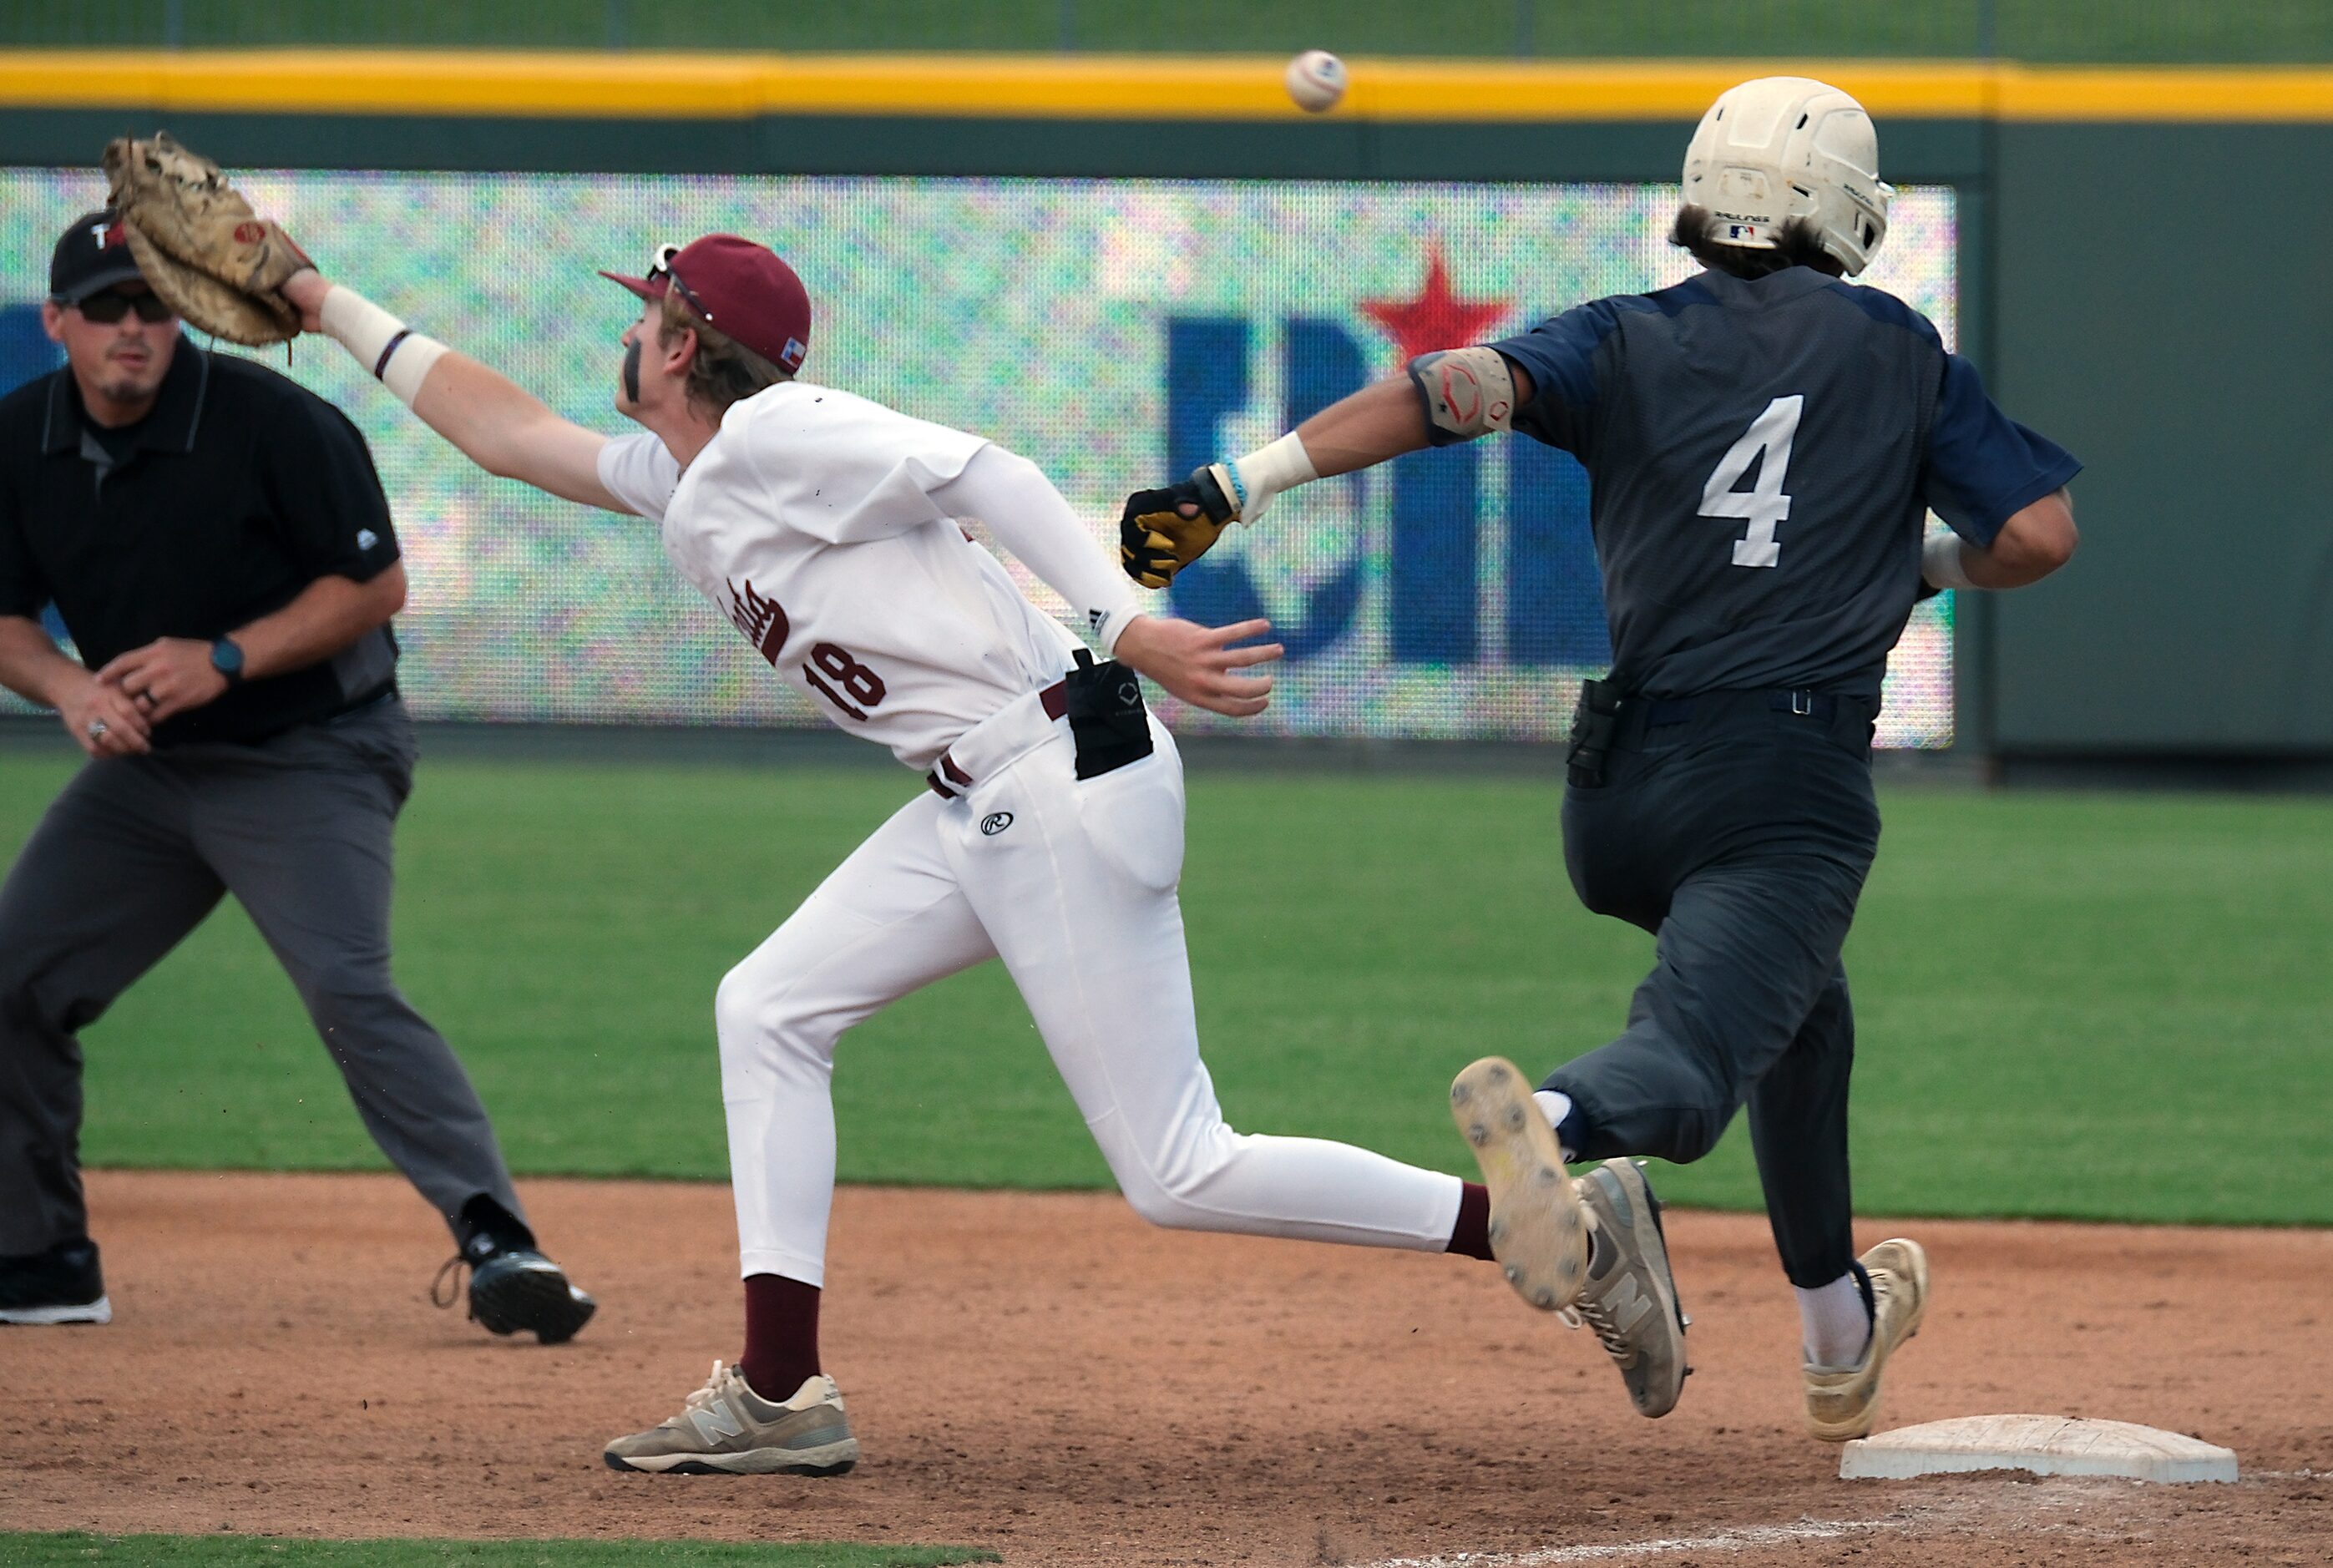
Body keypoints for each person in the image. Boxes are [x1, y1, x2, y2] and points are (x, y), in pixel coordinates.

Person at [279, 228, 1683, 1474]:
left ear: (689, 345)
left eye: (647, 310)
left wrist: (1123, 619)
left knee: (1177, 1167)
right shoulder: (696, 474)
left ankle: (1560, 1233)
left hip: (1053, 772)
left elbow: (983, 469)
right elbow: (506, 433)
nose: (626, 327)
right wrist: (315, 295)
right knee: (768, 1007)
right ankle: (777, 1388)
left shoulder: (777, 435)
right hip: (985, 793)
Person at [1118, 76, 2081, 1441]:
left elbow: (1451, 390)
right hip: (1781, 785)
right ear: (1841, 207)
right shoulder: (1897, 347)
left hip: (1618, 790)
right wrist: (1913, 563)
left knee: (1801, 1005)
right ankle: (1560, 1136)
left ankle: (1834, 1327)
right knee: (1691, 1059)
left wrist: (1239, 483)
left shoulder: (1624, 334)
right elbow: (2036, 537)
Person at [0, 210, 595, 1345]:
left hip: (313, 750)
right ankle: (41, 1259)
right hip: (151, 771)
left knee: (345, 986)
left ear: (186, 314)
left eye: (154, 304)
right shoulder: (17, 439)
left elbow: (373, 590)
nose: (134, 327)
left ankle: (497, 1236)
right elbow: (5, 619)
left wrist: (219, 657)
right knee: (11, 978)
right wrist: (74, 689)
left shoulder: (272, 420)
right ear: (58, 322)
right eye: (107, 306)